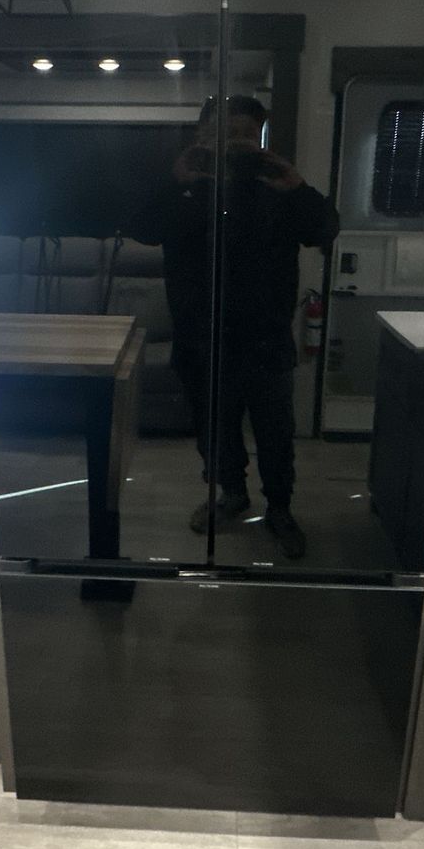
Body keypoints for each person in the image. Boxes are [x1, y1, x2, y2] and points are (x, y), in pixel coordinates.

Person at [129, 95, 339, 558]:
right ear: (202, 135)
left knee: (275, 434)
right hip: (200, 338)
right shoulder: (185, 188)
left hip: (265, 338)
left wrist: (297, 186)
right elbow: (141, 228)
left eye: (245, 133)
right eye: (225, 132)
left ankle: (280, 508)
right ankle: (232, 495)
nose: (235, 142)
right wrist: (176, 181)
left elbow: (324, 231)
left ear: (259, 138)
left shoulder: (275, 187)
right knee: (214, 432)